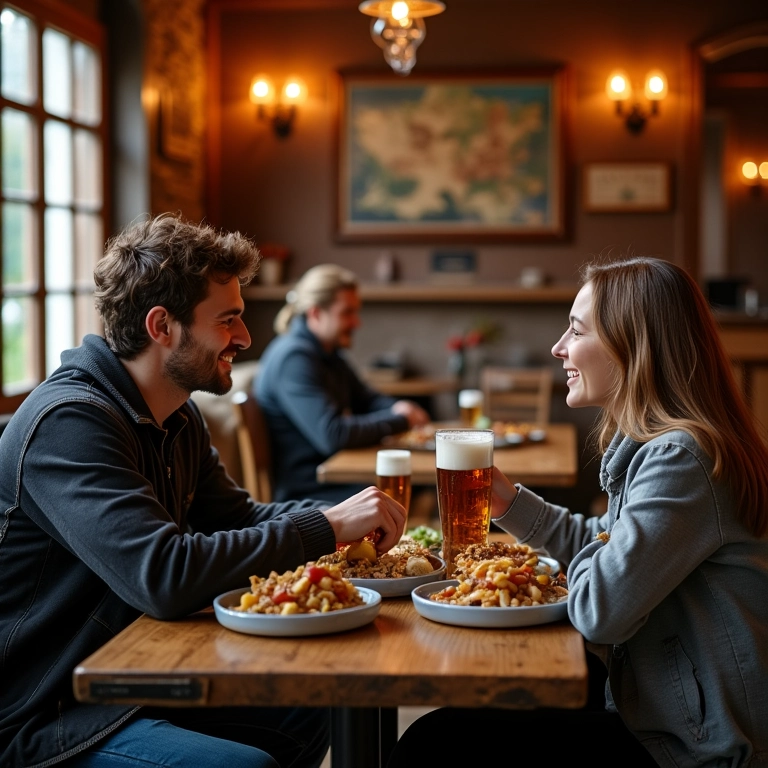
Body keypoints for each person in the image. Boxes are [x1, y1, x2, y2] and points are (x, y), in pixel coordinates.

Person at [0, 215, 407, 768]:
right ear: (161, 326)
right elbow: (164, 576)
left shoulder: (176, 416)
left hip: (131, 676)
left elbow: (238, 517)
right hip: (44, 712)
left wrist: (343, 515)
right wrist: (329, 527)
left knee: (312, 706)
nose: (244, 337)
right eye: (229, 320)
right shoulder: (67, 424)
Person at [389, 257, 768, 767]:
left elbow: (599, 610)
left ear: (631, 344)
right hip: (660, 706)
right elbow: (609, 545)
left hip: (692, 745)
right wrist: (511, 503)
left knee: (432, 744)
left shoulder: (681, 458)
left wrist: (592, 557)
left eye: (575, 329)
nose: (558, 348)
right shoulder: (670, 446)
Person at [255, 264, 429, 503]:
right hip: (310, 493)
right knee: (416, 484)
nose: (356, 323)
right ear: (316, 313)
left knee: (419, 484)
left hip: (334, 479)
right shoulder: (293, 358)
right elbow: (332, 435)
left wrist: (399, 407)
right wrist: (402, 420)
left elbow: (367, 399)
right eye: (347, 312)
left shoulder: (329, 353)